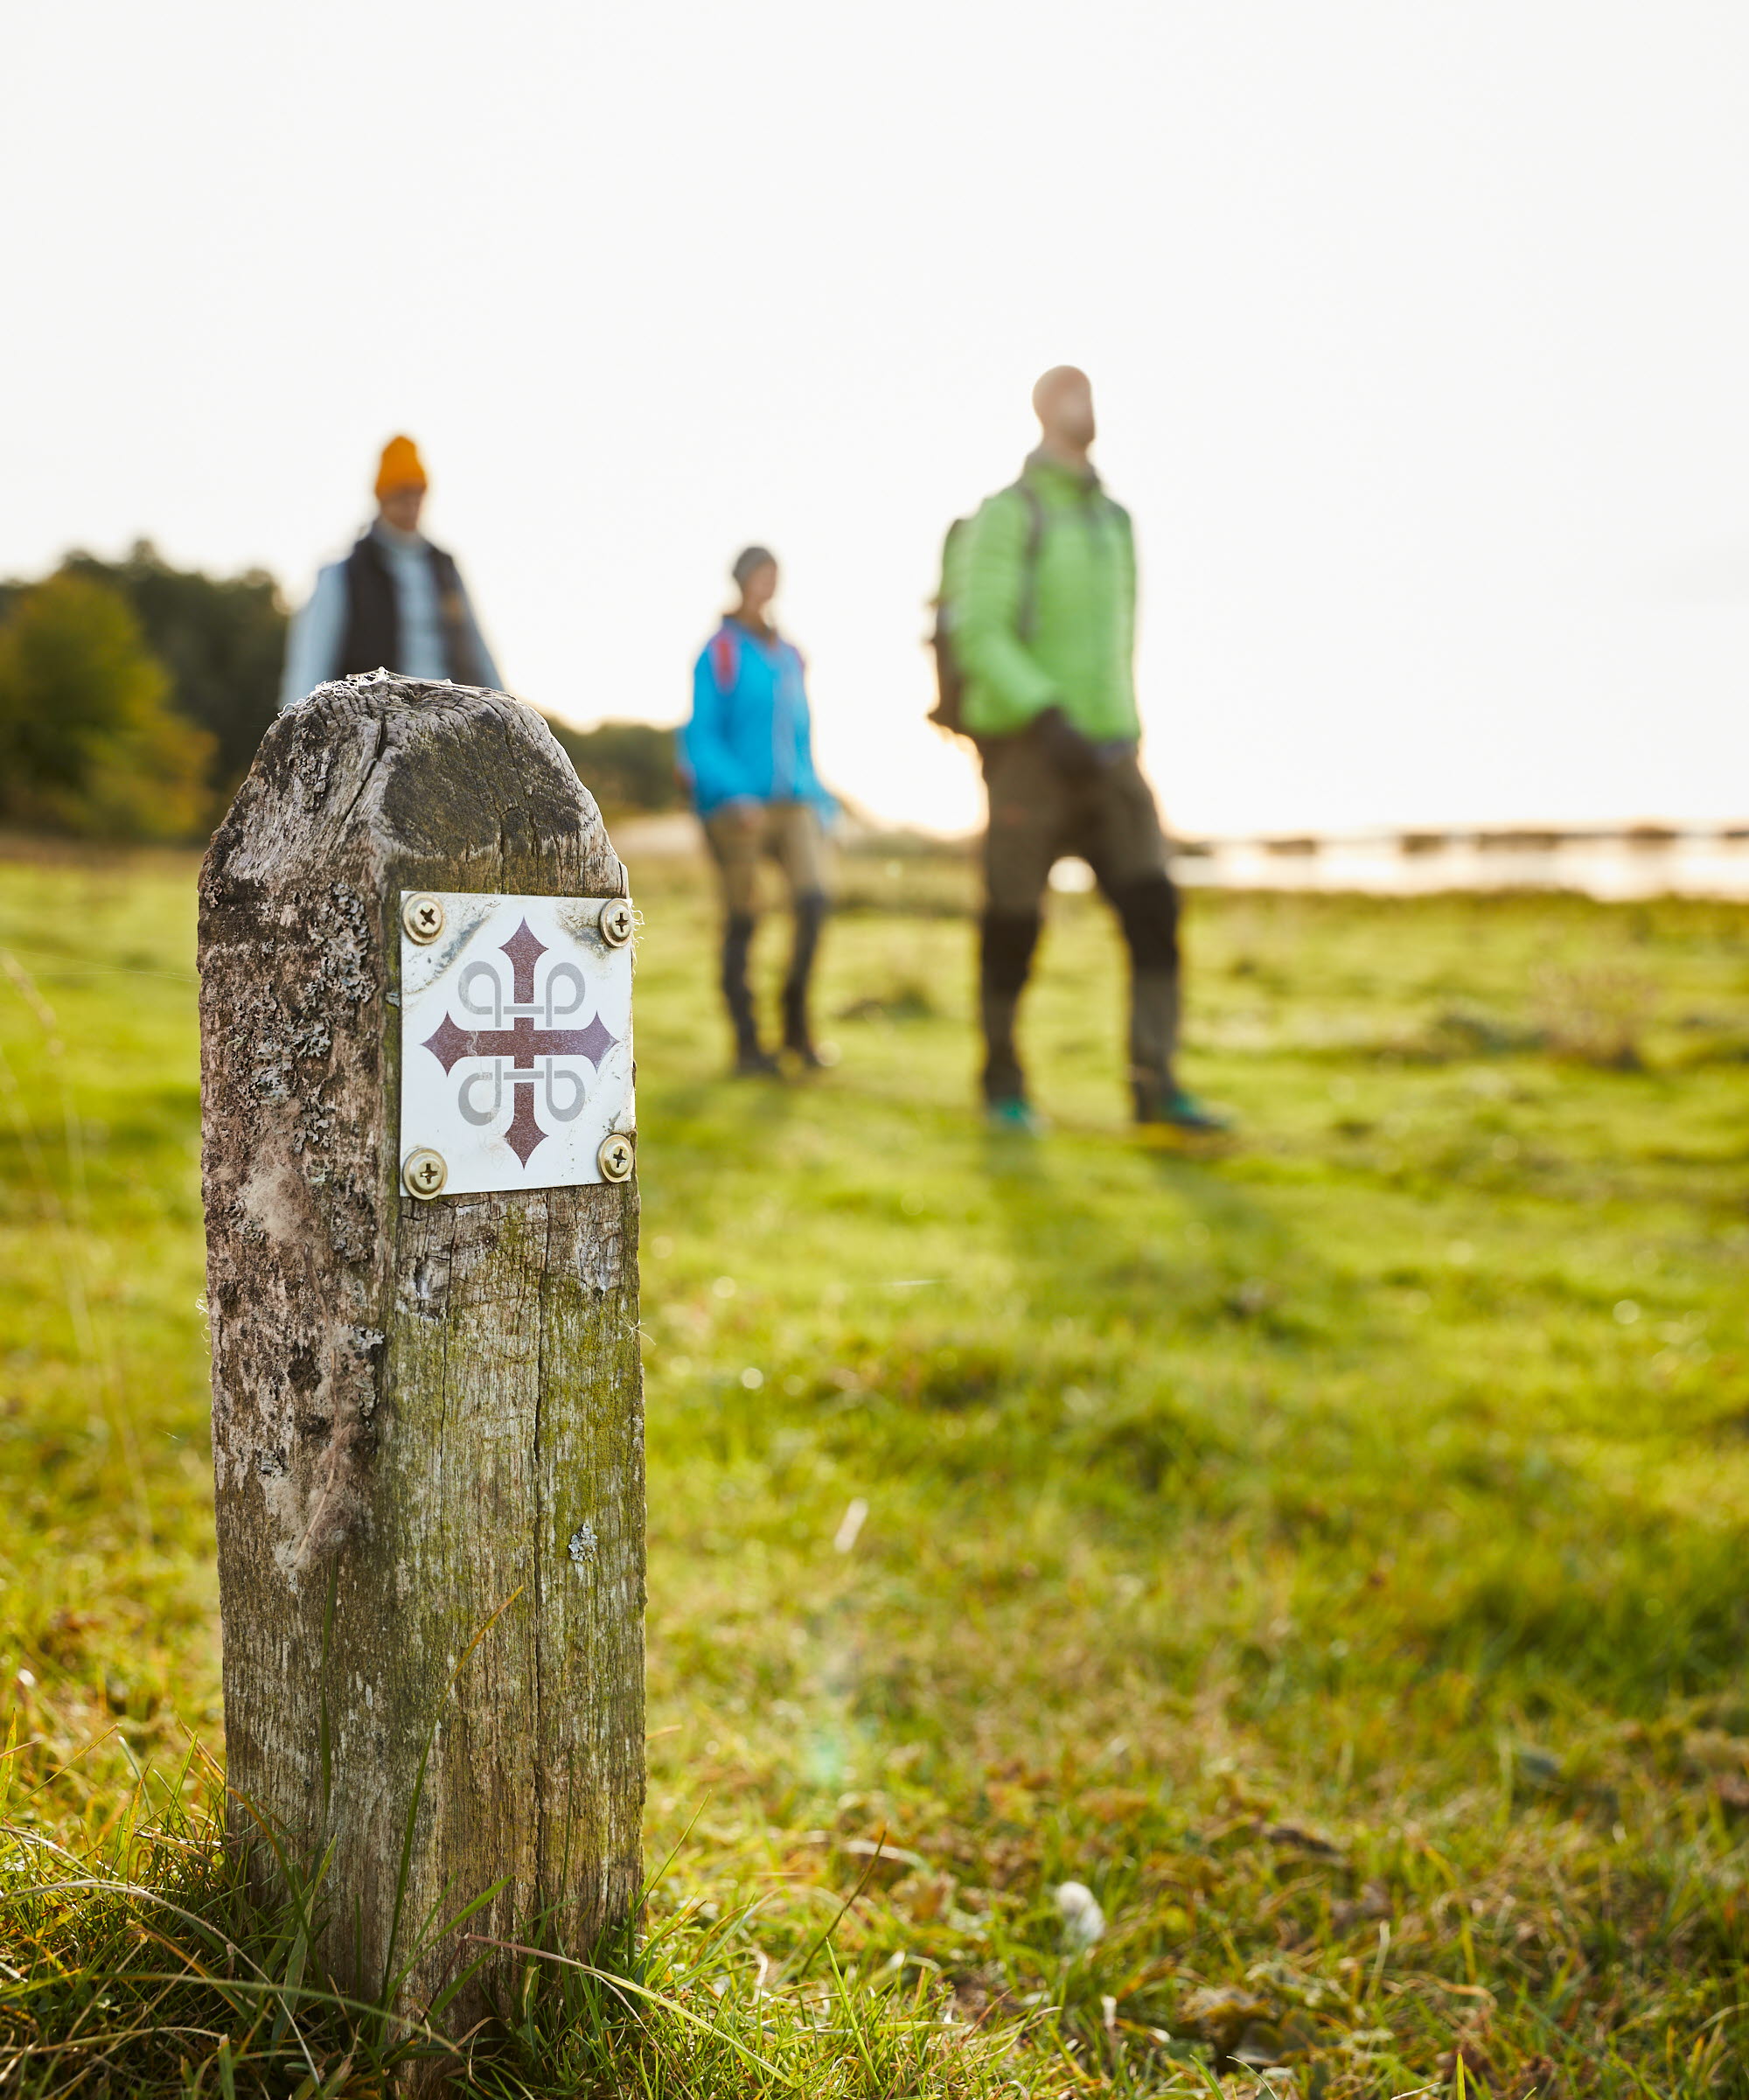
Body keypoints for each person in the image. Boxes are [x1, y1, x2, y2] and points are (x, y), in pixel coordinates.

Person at [945, 366, 1227, 1134]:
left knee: (1155, 911)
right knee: (1013, 922)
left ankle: (1155, 1080)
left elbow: (1120, 639)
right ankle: (1002, 1080)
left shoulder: (1116, 522)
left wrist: (1123, 728)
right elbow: (981, 632)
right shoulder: (1010, 513)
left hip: (1113, 755)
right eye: (1071, 391)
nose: (1087, 402)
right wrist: (1045, 718)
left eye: (1090, 390)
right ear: (1043, 409)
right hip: (1032, 754)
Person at [680, 547, 836, 1076]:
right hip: (736, 806)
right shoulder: (718, 653)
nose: (767, 586)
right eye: (760, 576)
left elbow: (802, 735)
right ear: (742, 582)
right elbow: (700, 736)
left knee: (814, 902)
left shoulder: (789, 655)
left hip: (794, 801)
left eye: (774, 577)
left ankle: (796, 1027)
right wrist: (733, 793)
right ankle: (748, 1046)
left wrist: (822, 802)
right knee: (744, 918)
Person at [278, 436, 502, 709]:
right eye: (402, 493)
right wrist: (297, 720)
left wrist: (506, 707)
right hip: (374, 729)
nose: (412, 503)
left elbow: (479, 649)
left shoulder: (446, 569)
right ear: (382, 497)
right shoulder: (344, 574)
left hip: (455, 722)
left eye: (418, 493)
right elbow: (311, 663)